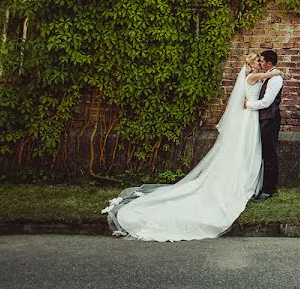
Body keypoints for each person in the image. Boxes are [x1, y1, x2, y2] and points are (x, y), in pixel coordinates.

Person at [103, 53, 281, 241]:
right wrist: (276, 72)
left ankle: (249, 180)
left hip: (251, 117)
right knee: (244, 149)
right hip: (249, 117)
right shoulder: (253, 76)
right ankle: (242, 180)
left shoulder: (253, 75)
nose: (260, 63)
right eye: (257, 61)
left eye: (262, 61)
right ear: (253, 64)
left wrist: (270, 77)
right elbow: (266, 77)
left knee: (249, 150)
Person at [245, 49, 283, 201]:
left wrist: (248, 105)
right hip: (264, 120)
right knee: (265, 154)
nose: (260, 63)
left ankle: (268, 189)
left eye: (262, 61)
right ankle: (262, 186)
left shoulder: (275, 79)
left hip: (270, 121)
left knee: (270, 155)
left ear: (268, 63)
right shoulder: (267, 77)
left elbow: (267, 102)